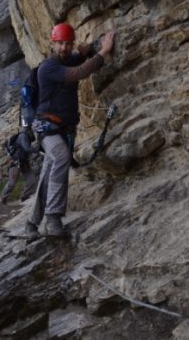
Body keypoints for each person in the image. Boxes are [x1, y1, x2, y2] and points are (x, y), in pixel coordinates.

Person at [25, 23, 114, 238]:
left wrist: (88, 49)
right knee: (62, 157)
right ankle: (53, 220)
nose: (64, 48)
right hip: (46, 127)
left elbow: (80, 58)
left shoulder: (67, 58)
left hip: (61, 128)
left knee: (49, 170)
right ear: (52, 44)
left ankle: (31, 223)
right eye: (60, 44)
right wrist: (104, 51)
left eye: (67, 43)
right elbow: (78, 72)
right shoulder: (48, 67)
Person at [0, 130, 38, 204]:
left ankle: (25, 195)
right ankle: (2, 198)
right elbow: (27, 148)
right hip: (15, 162)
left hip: (23, 162)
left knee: (31, 180)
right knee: (12, 183)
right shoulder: (23, 136)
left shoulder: (24, 136)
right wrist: (37, 150)